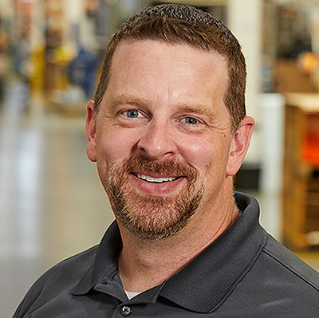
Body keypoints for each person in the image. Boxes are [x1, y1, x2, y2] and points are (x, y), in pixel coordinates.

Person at [13, 4, 319, 317]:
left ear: (237, 145)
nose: (155, 146)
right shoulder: (48, 297)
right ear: (93, 129)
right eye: (132, 113)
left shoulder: (303, 308)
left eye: (190, 120)